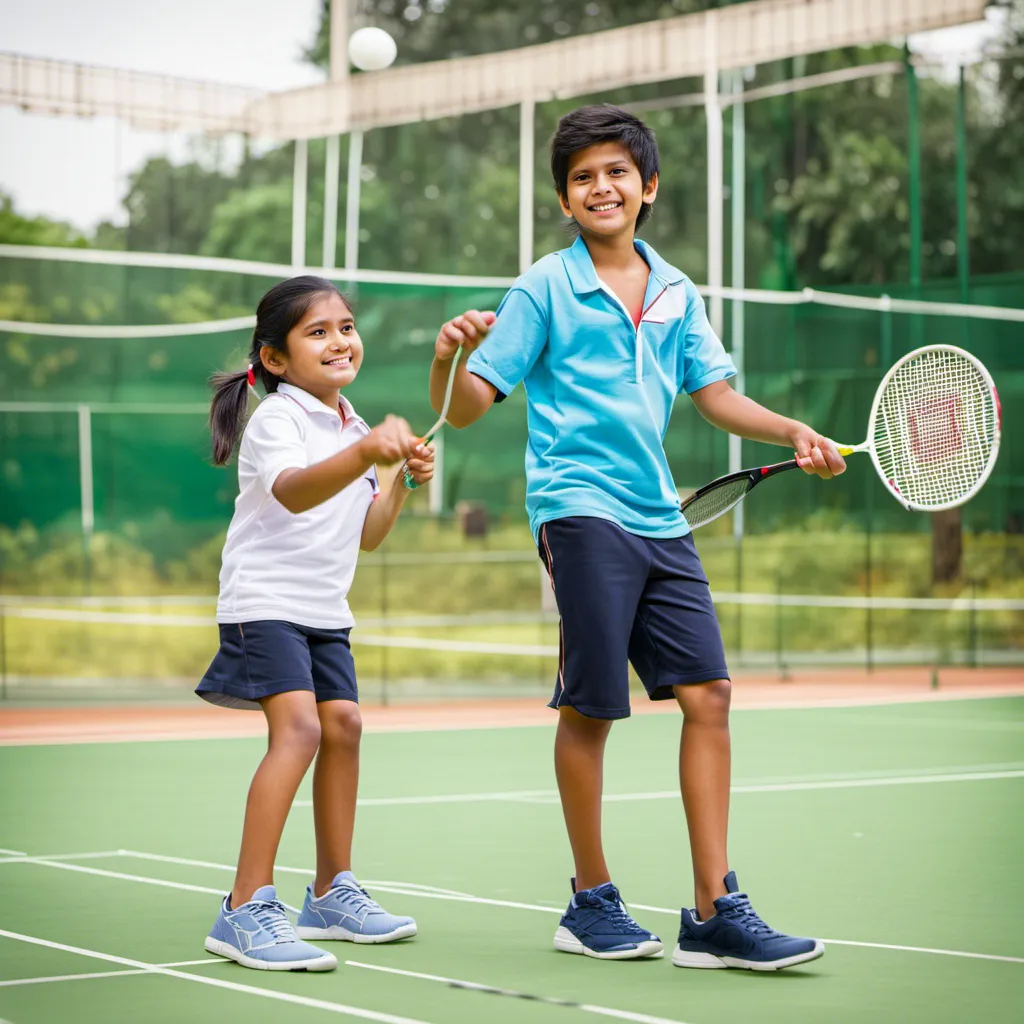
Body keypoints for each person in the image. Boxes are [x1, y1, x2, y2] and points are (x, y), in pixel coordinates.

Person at [427, 106, 845, 971]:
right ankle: (590, 901)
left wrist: (793, 431)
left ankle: (714, 909)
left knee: (711, 697)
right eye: (582, 177)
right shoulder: (542, 286)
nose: (601, 186)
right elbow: (470, 410)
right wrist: (447, 360)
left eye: (616, 171)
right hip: (577, 509)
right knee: (592, 706)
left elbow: (717, 395)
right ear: (565, 200)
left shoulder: (677, 292)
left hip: (660, 515)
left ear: (647, 187)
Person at [197, 275, 434, 972]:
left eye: (347, 326)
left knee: (345, 727)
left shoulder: (353, 427)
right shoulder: (279, 421)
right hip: (265, 602)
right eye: (318, 331)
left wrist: (402, 485)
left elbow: (367, 533)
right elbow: (296, 494)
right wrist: (366, 457)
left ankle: (331, 891)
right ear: (274, 360)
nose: (340, 340)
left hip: (326, 609)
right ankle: (243, 908)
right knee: (298, 730)